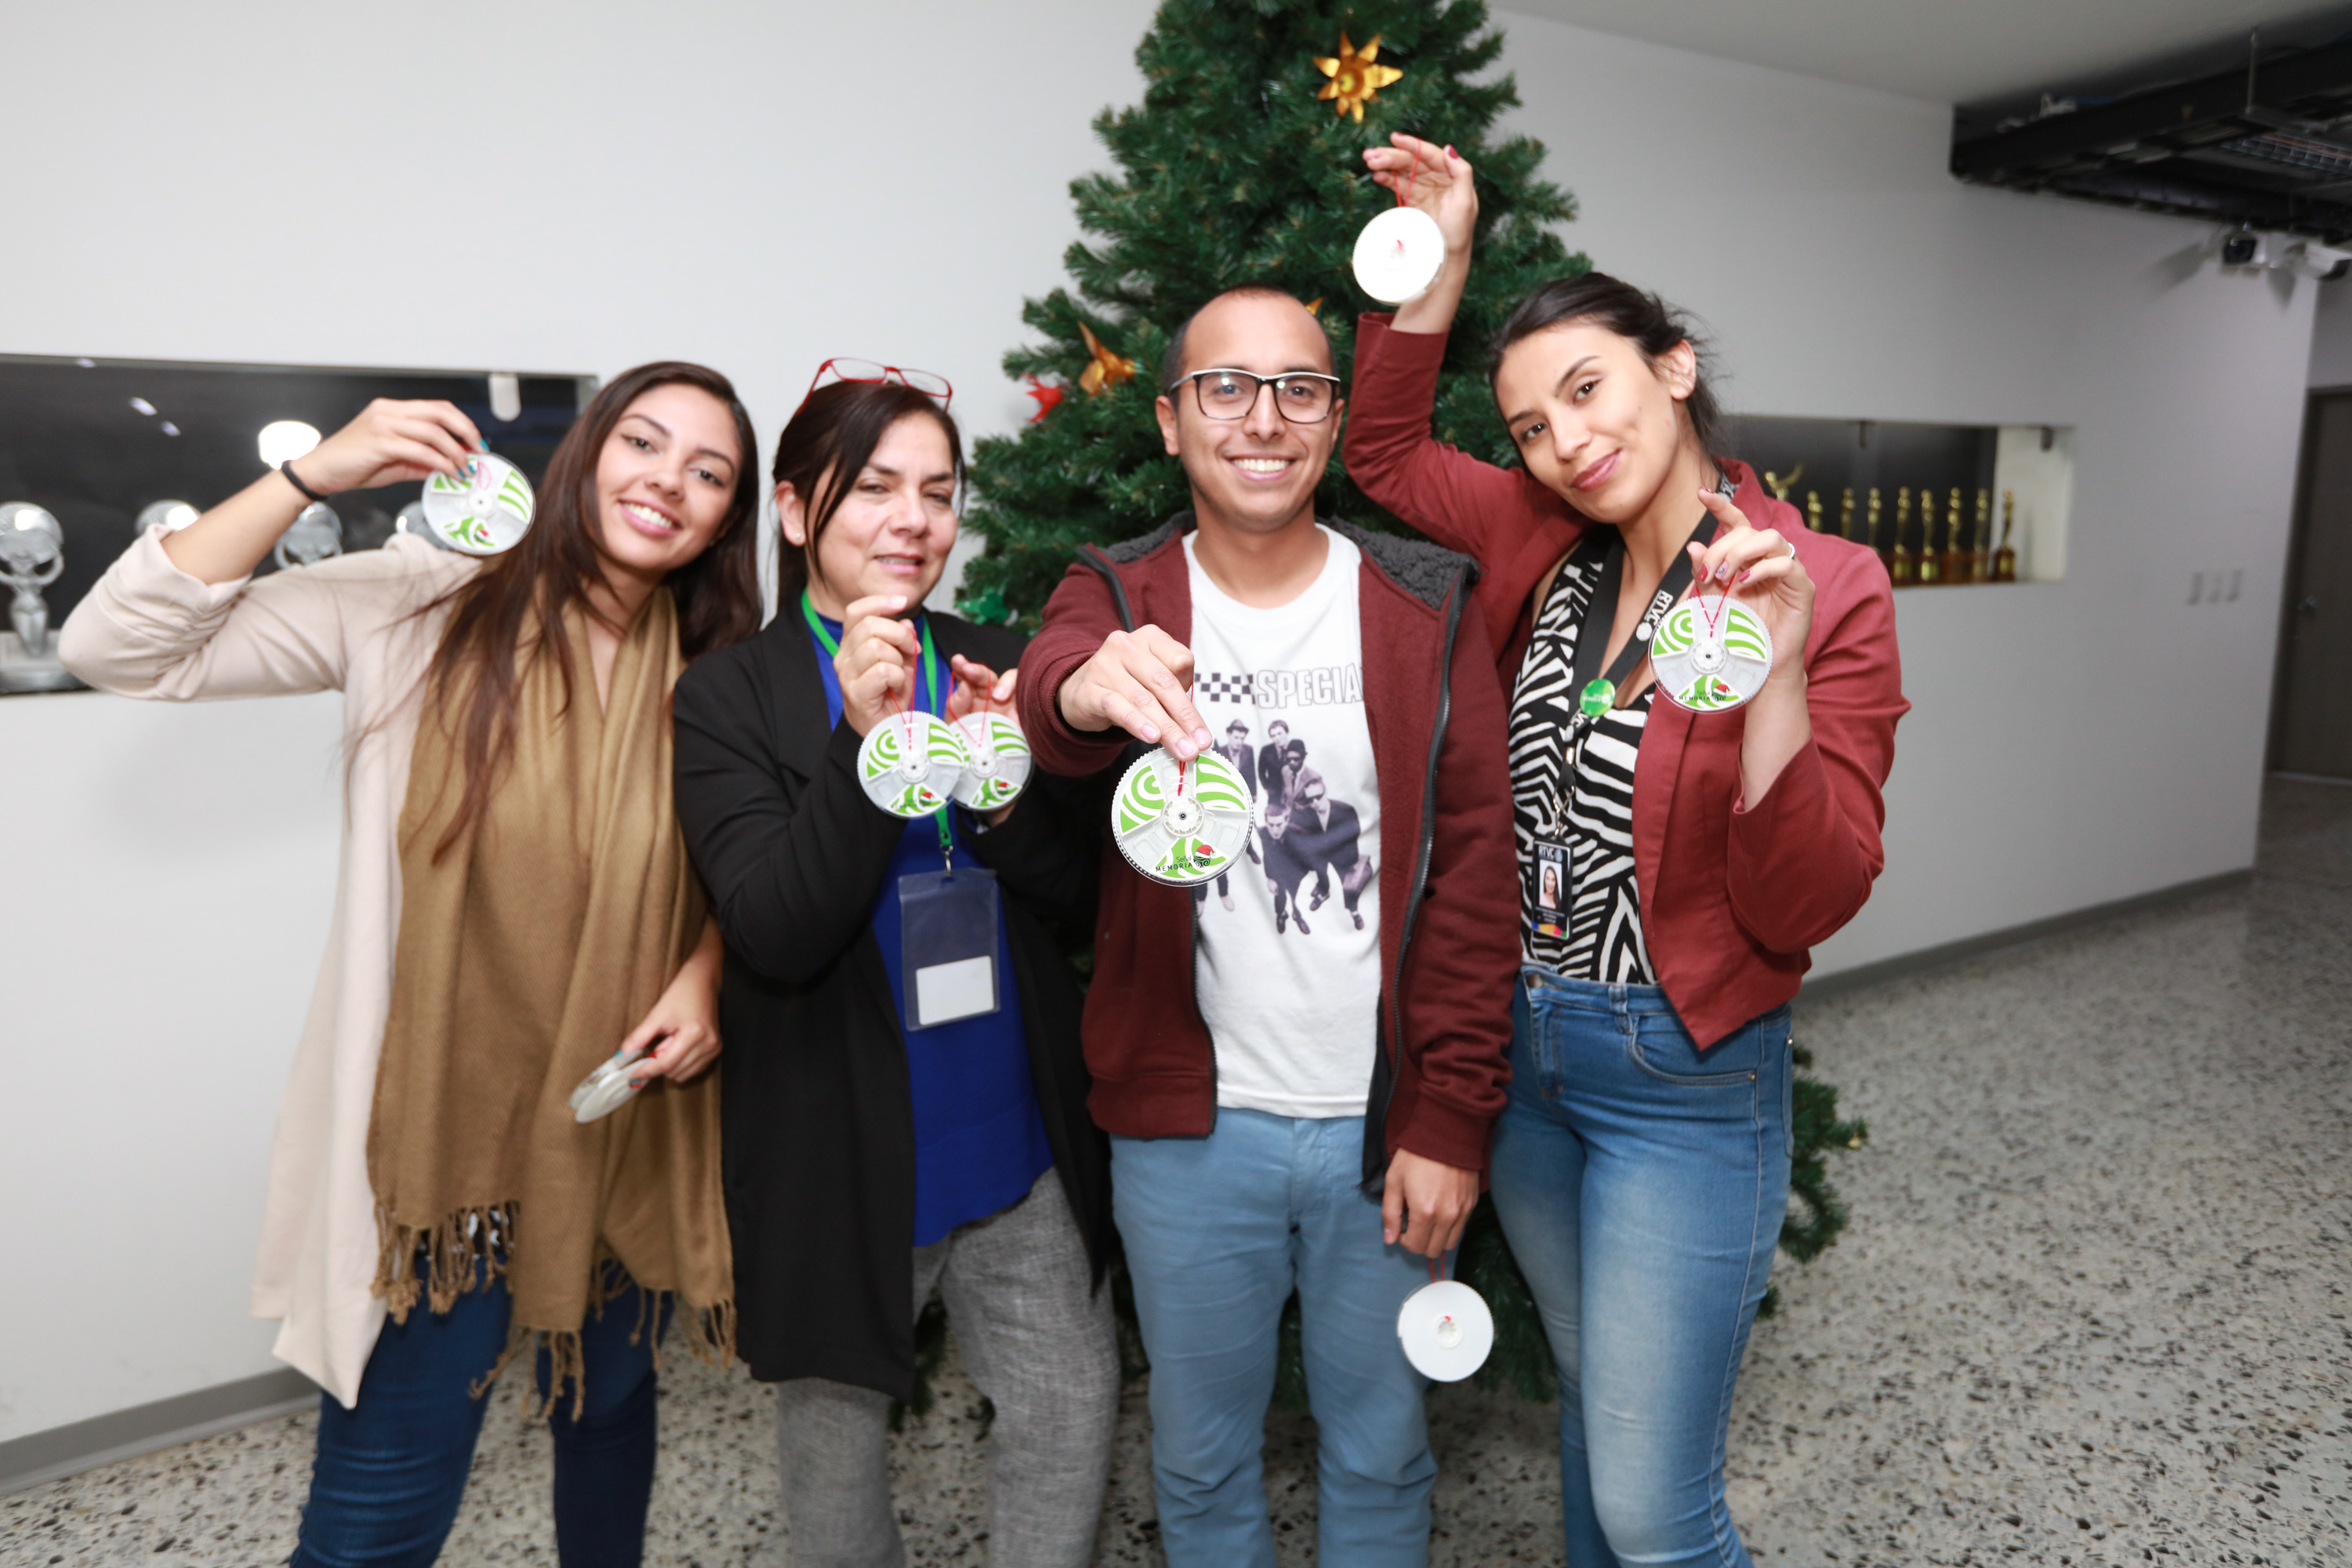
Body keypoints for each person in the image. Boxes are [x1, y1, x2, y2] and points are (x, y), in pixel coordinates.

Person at [59, 362, 766, 1567]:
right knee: (378, 1514)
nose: (669, 483)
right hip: (452, 1158)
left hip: (628, 1127)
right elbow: (115, 645)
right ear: (585, 454)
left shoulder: (720, 670)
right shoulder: (423, 603)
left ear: (726, 519)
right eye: (644, 443)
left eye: (710, 472)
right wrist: (310, 475)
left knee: (609, 1421)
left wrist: (706, 968)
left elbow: (743, 866)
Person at [1348, 135, 1908, 1568]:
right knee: (1599, 1423)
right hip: (1529, 1060)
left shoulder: (1827, 583)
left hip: (1684, 1075)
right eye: (1532, 425)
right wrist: (1441, 258)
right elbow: (1384, 452)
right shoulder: (1546, 538)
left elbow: (1808, 898)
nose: (1566, 443)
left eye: (1587, 389)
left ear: (1672, 367)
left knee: (1661, 1513)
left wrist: (1777, 673)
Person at [1014, 286, 1519, 1568]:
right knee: (1198, 1461)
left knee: (1382, 1454)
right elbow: (1051, 694)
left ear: (1333, 419)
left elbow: (1473, 876)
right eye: (1225, 388)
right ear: (1171, 420)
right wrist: (1083, 686)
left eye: (1300, 389)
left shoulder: (1422, 600)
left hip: (1382, 1133)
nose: (1263, 419)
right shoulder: (1119, 590)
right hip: (1188, 1137)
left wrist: (1451, 1115)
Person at [668, 369, 1119, 1568]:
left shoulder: (995, 662)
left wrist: (1003, 787)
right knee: (834, 1456)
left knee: (1067, 1412)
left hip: (1016, 1135)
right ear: (794, 510)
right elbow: (775, 932)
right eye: (873, 488)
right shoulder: (728, 697)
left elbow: (1077, 901)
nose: (913, 520)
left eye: (937, 491)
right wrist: (862, 748)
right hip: (842, 1145)